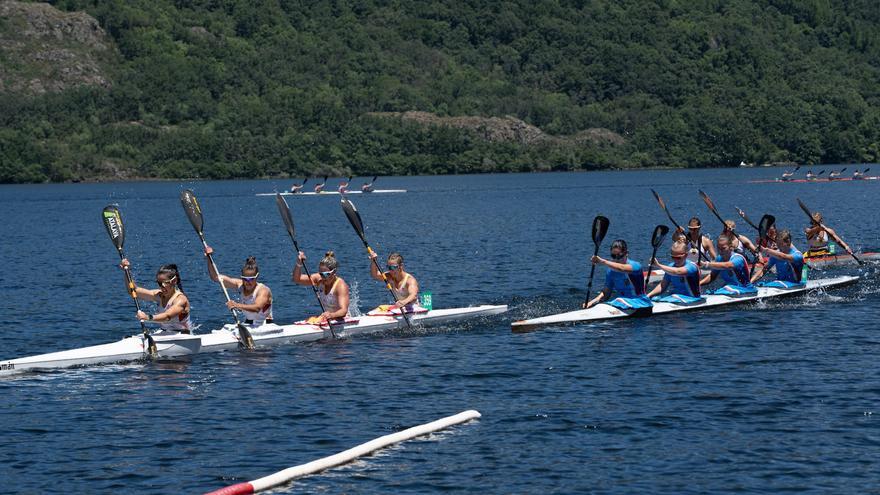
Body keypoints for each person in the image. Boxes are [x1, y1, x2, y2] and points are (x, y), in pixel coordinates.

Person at [204, 246, 273, 325]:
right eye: (245, 279)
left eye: (251, 279)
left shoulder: (263, 290)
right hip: (248, 324)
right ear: (241, 278)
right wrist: (209, 258)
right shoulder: (240, 285)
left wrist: (236, 305)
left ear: (257, 277)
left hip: (265, 326)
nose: (248, 282)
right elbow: (215, 277)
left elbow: (257, 308)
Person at [119, 260, 192, 333]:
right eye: (159, 283)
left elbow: (167, 316)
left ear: (174, 281)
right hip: (165, 333)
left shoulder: (180, 299)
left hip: (182, 335)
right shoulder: (159, 295)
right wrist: (127, 272)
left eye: (164, 283)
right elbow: (133, 291)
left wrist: (147, 317)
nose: (161, 287)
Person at [583, 240, 652, 311]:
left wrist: (602, 261)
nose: (616, 259)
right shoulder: (611, 271)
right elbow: (606, 293)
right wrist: (592, 302)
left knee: (618, 300)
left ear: (626, 253)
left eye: (619, 256)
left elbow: (622, 268)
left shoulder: (636, 266)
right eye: (613, 256)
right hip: (622, 303)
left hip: (641, 303)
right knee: (603, 304)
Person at [293, 250, 350, 323]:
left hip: (340, 318)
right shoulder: (318, 279)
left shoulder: (341, 286)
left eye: (326, 274)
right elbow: (296, 279)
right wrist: (299, 263)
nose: (323, 277)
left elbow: (343, 310)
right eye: (321, 274)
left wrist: (331, 315)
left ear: (334, 272)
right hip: (326, 318)